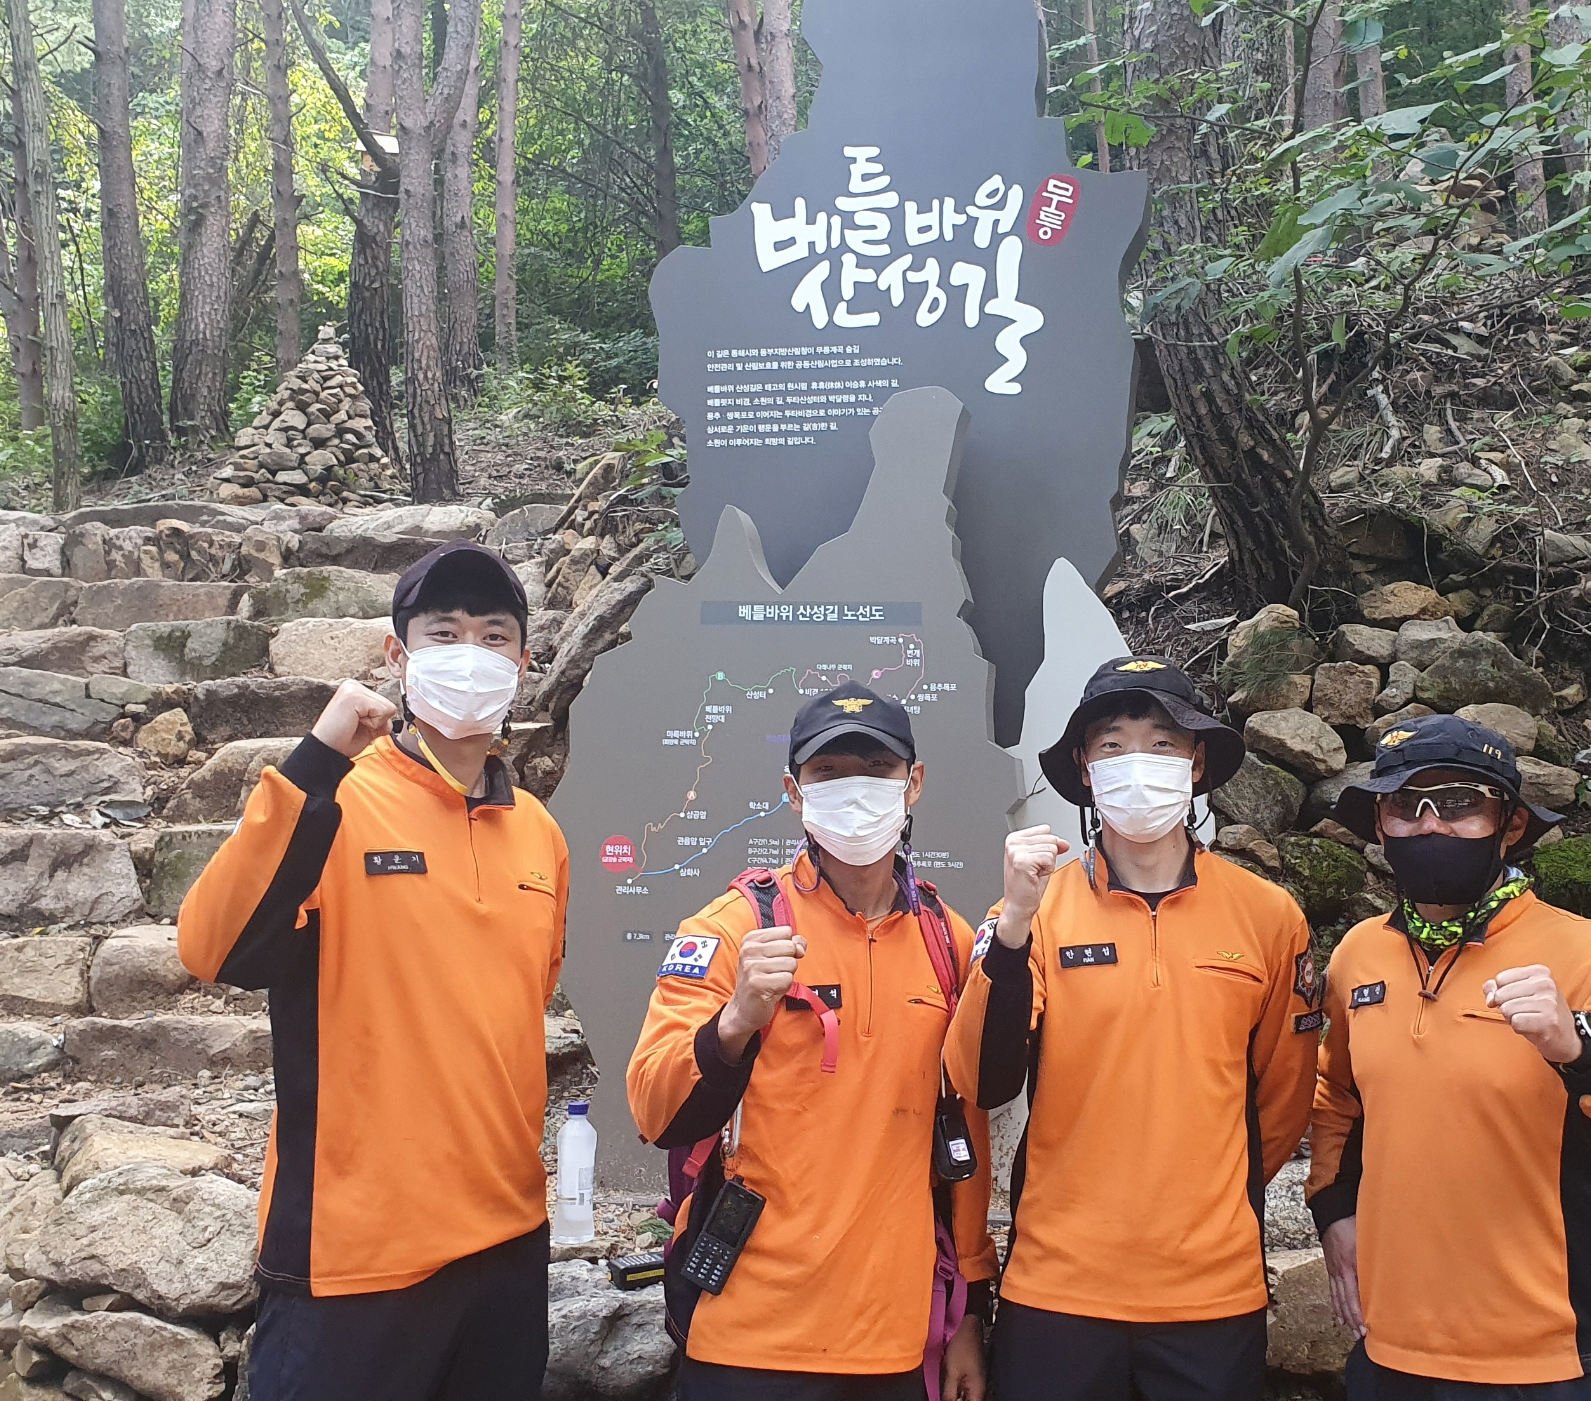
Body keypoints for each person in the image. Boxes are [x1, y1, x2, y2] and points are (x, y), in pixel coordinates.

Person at [178, 541, 566, 1401]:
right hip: (357, 1252)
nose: (470, 652)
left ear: (523, 663)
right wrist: (315, 760)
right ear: (398, 656)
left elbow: (520, 1003)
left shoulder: (539, 830)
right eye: (443, 633)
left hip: (506, 1240)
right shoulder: (334, 800)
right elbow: (211, 947)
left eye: (494, 635)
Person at [946, 657, 1322, 1401]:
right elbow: (979, 1077)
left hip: (1212, 1291)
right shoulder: (1034, 913)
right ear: (1085, 771)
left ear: (1196, 764)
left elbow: (1283, 1100)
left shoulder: (1268, 916)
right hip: (1058, 1287)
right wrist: (1014, 925)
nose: (1137, 764)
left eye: (1162, 744)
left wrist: (1206, 1198)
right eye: (1112, 746)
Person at [1309, 715, 1591, 1400]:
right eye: (1405, 805)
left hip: (1548, 1355)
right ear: (1379, 824)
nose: (1430, 825)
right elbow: (1336, 1096)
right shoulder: (1359, 955)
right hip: (1392, 1343)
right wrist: (1335, 1210)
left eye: (1459, 803)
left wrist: (1580, 1045)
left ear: (1510, 824)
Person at [626, 682, 997, 1401]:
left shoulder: (947, 942)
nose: (854, 790)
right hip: (747, 1333)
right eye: (829, 772)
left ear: (913, 783)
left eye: (877, 769)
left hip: (894, 1337)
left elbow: (965, 1138)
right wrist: (735, 1021)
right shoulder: (732, 927)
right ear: (794, 792)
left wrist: (968, 1313)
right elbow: (653, 1109)